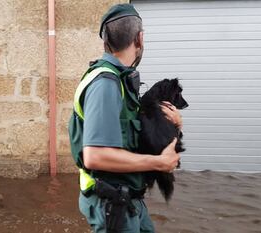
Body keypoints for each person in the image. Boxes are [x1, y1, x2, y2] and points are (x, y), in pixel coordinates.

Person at [68, 4, 182, 233]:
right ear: (139, 39)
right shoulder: (105, 84)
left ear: (105, 41)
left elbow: (132, 136)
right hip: (111, 203)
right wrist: (159, 163)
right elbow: (95, 156)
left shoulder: (121, 79)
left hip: (129, 199)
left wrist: (174, 126)